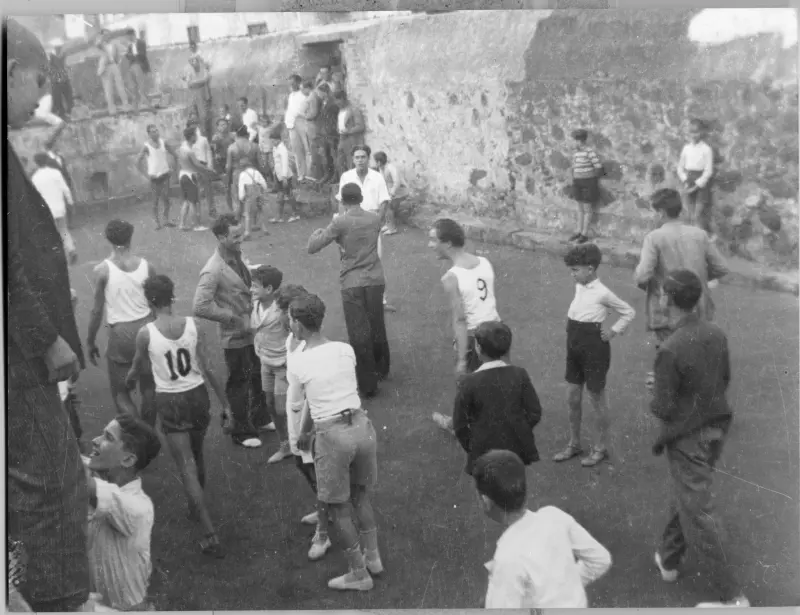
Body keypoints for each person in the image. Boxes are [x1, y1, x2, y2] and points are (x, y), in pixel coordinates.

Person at [6, 17, 90, 611]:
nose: (42, 96)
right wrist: (48, 339)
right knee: (53, 482)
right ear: (11, 73)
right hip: (22, 356)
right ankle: (63, 602)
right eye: (38, 80)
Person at [649, 269, 748, 608]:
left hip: (688, 437)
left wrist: (656, 387)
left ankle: (733, 597)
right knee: (689, 494)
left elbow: (663, 408)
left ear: (667, 299)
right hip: (716, 428)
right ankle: (669, 559)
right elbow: (723, 378)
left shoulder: (670, 348)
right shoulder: (716, 333)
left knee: (701, 513)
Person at [127, 274, 229, 558]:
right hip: (197, 395)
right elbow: (208, 368)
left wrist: (129, 380)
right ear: (172, 296)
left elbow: (137, 367)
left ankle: (209, 533)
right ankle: (196, 507)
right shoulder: (194, 325)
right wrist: (226, 405)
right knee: (197, 456)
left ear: (149, 300)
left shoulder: (146, 332)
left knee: (185, 466)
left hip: (170, 400)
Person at [290, 294, 383, 591]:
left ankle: (359, 574)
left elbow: (301, 402)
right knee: (361, 496)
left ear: (299, 325)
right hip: (361, 426)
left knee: (338, 507)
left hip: (333, 435)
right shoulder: (344, 349)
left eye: (291, 320)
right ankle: (374, 558)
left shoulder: (298, 361)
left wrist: (303, 433)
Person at [474, 450, 612, 608]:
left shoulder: (507, 557)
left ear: (486, 502)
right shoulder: (554, 516)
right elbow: (601, 559)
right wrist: (562, 588)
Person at [634, 188, 729, 387]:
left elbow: (643, 275)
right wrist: (698, 281)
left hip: (668, 307)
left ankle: (671, 390)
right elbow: (721, 268)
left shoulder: (655, 237)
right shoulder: (699, 234)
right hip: (697, 304)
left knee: (669, 350)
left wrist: (650, 286)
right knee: (694, 346)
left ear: (660, 212)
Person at [553, 243, 636, 467]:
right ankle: (574, 443)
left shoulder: (603, 293)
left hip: (594, 349)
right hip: (574, 347)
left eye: (575, 270)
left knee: (597, 398)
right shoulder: (581, 285)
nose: (572, 275)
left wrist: (612, 331)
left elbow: (628, 311)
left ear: (590, 269)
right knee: (572, 397)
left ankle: (600, 447)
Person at [193, 214, 270, 449]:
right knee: (239, 381)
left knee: (257, 374)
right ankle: (241, 430)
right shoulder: (213, 269)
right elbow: (200, 305)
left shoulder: (237, 256)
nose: (241, 239)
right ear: (221, 237)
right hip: (234, 336)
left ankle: (261, 417)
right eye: (235, 236)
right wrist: (232, 318)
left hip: (252, 331)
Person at [308, 183, 390, 398]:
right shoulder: (374, 218)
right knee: (376, 324)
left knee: (359, 331)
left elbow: (313, 247)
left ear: (342, 201)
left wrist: (317, 233)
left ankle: (368, 383)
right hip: (375, 278)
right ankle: (381, 368)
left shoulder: (340, 222)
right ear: (361, 198)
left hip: (352, 280)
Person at [428, 218, 501, 434]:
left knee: (467, 385)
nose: (430, 244)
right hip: (497, 330)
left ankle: (459, 426)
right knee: (494, 382)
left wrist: (461, 359)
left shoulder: (451, 277)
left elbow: (460, 319)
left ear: (447, 243)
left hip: (475, 336)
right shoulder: (484, 261)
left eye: (433, 240)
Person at [84, 414, 161, 610]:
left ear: (127, 459)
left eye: (108, 438)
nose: (95, 440)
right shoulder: (105, 482)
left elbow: (72, 473)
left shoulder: (137, 507)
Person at [280, 284, 332, 561]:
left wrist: (305, 429)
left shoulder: (308, 348)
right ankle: (325, 507)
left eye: (285, 313)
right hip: (294, 410)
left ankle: (324, 531)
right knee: (302, 464)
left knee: (317, 470)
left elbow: (313, 392)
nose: (283, 319)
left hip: (307, 417)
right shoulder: (292, 340)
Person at [87, 219, 157, 425]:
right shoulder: (146, 266)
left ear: (109, 239)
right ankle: (149, 434)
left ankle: (137, 435)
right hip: (146, 328)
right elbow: (155, 304)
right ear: (130, 237)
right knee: (149, 387)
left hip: (121, 334)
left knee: (121, 392)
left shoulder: (102, 270)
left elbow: (96, 311)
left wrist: (90, 341)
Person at [453, 322, 541, 475]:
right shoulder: (520, 374)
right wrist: (518, 430)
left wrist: (473, 444)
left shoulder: (468, 382)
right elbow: (534, 412)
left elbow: (459, 424)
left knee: (487, 491)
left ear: (478, 349)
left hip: (482, 450)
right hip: (515, 449)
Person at [336, 145, 395, 311]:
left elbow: (384, 201)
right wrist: (342, 227)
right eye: (357, 157)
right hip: (351, 225)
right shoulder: (346, 177)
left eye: (363, 157)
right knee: (352, 263)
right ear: (353, 159)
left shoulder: (377, 177)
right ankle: (357, 300)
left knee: (376, 261)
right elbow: (341, 203)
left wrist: (377, 223)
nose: (360, 160)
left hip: (371, 224)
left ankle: (381, 301)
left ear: (368, 159)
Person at [250, 265, 294, 464]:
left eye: (255, 286)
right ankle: (286, 446)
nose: (251, 289)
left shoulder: (283, 310)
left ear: (269, 290)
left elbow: (295, 335)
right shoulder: (256, 304)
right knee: (270, 405)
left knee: (283, 408)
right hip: (265, 362)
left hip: (283, 365)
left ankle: (301, 439)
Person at [31, 152, 77, 264]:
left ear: (36, 163)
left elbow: (35, 196)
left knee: (51, 233)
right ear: (47, 161)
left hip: (46, 211)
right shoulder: (56, 173)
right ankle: (71, 249)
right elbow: (65, 189)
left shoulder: (35, 178)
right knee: (64, 230)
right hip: (60, 209)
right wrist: (70, 202)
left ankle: (57, 255)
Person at [136, 124, 179, 229]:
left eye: (157, 131)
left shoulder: (164, 143)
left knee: (166, 199)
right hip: (154, 177)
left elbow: (175, 155)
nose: (156, 133)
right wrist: (146, 175)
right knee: (155, 201)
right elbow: (137, 162)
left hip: (165, 175)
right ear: (149, 134)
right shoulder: (147, 146)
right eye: (153, 131)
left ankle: (166, 220)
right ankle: (156, 222)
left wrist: (173, 169)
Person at [677, 118, 715, 234]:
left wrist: (697, 185)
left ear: (702, 132)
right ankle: (690, 240)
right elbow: (680, 168)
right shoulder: (686, 148)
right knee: (688, 214)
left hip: (701, 185)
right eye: (691, 132)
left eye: (696, 132)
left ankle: (704, 238)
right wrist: (685, 180)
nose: (694, 135)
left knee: (698, 215)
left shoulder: (706, 149)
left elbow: (708, 171)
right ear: (688, 133)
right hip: (688, 182)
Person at [569, 128, 605, 244]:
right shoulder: (576, 154)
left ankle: (584, 233)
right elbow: (574, 167)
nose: (573, 143)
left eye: (574, 141)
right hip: (577, 182)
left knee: (587, 209)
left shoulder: (589, 152)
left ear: (580, 141)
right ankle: (579, 231)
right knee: (580, 208)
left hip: (588, 182)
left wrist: (591, 178)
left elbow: (598, 167)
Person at [177, 126, 216, 232]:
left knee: (186, 201)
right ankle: (197, 225)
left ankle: (182, 224)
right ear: (191, 137)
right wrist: (209, 170)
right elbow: (197, 164)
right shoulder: (189, 151)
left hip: (182, 175)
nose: (197, 137)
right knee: (194, 202)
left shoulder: (182, 147)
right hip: (190, 176)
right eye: (195, 135)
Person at [226, 124, 261, 222]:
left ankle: (238, 221)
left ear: (236, 134)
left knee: (237, 199)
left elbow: (228, 167)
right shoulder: (255, 146)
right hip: (252, 174)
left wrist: (227, 180)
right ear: (247, 134)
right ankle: (253, 223)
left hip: (237, 174)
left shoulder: (232, 147)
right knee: (252, 198)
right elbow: (261, 164)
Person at [188, 115, 217, 219]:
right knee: (197, 191)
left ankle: (212, 210)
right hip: (194, 167)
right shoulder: (188, 141)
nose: (194, 125)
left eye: (195, 123)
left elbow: (208, 152)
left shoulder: (203, 139)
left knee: (209, 190)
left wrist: (210, 165)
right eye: (192, 123)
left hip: (204, 165)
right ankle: (197, 213)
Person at [269, 127, 301, 223]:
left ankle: (295, 214)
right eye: (271, 141)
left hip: (285, 176)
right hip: (278, 176)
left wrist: (284, 178)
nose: (272, 142)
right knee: (280, 196)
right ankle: (279, 217)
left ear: (278, 140)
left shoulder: (282, 149)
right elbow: (276, 162)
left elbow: (285, 163)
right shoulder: (275, 148)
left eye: (273, 140)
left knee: (288, 195)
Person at [373, 151, 408, 235]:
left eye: (375, 161)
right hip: (391, 191)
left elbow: (397, 182)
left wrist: (392, 193)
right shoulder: (382, 168)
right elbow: (383, 181)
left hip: (400, 191)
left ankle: (392, 229)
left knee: (388, 208)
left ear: (379, 162)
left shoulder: (390, 167)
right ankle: (389, 224)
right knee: (385, 206)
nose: (375, 163)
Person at [285, 74, 312, 182]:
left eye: (293, 82)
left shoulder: (304, 94)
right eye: (290, 83)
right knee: (297, 150)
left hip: (303, 122)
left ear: (298, 82)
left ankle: (310, 173)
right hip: (292, 124)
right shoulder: (291, 95)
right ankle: (301, 174)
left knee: (307, 149)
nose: (291, 85)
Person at [96, 31, 129, 116]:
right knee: (108, 89)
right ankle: (112, 109)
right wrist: (101, 39)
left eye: (107, 35)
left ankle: (126, 105)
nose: (106, 36)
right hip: (105, 67)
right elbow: (97, 44)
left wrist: (119, 60)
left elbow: (123, 50)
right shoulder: (100, 44)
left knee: (120, 86)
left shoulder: (114, 44)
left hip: (114, 65)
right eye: (104, 35)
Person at [334, 92, 365, 178]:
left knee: (351, 162)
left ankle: (353, 183)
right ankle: (344, 182)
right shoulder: (340, 110)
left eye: (338, 101)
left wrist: (349, 131)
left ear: (344, 99)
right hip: (342, 138)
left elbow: (360, 126)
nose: (337, 104)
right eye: (336, 102)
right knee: (340, 162)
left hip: (351, 139)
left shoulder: (353, 109)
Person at [183, 54, 212, 140]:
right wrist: (199, 83)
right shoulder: (190, 73)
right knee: (194, 118)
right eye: (191, 61)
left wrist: (194, 83)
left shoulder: (204, 70)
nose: (192, 63)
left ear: (198, 61)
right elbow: (189, 84)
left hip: (203, 98)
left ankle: (205, 138)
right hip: (194, 98)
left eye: (194, 60)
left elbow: (205, 79)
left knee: (204, 118)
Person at [211, 117, 236, 212]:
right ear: (217, 127)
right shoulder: (216, 137)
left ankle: (239, 208)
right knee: (228, 189)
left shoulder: (232, 136)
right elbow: (216, 154)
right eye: (220, 125)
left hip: (234, 163)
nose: (223, 126)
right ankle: (232, 210)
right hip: (223, 164)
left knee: (237, 186)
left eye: (224, 124)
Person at [316, 83, 339, 184]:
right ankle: (327, 175)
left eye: (320, 93)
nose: (318, 95)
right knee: (326, 156)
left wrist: (331, 130)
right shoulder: (323, 102)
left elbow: (334, 119)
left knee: (334, 156)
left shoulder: (332, 103)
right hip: (325, 133)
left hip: (332, 133)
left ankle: (335, 176)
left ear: (325, 92)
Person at [124, 29, 150, 112]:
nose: (128, 38)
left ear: (133, 35)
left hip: (140, 67)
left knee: (142, 89)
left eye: (129, 37)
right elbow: (127, 56)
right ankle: (136, 109)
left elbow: (142, 55)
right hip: (132, 68)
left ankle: (147, 106)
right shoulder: (129, 46)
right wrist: (133, 56)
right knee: (133, 88)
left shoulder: (141, 43)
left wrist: (133, 56)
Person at [47, 38, 73, 119]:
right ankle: (61, 113)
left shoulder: (63, 55)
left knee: (68, 96)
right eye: (57, 47)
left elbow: (67, 66)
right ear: (55, 47)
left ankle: (69, 112)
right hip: (56, 80)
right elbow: (49, 68)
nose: (59, 48)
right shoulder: (51, 56)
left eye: (59, 47)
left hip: (63, 79)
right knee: (57, 98)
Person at [302, 79, 322, 179]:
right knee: (312, 148)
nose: (302, 91)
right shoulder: (311, 96)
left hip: (313, 125)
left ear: (308, 88)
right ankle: (314, 173)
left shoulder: (312, 97)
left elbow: (313, 113)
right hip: (310, 126)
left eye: (303, 89)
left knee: (314, 149)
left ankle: (316, 174)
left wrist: (305, 116)